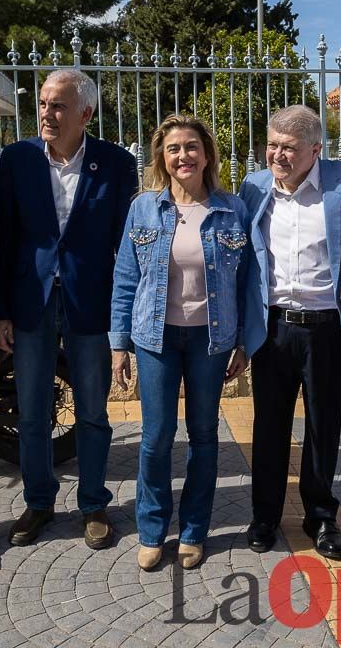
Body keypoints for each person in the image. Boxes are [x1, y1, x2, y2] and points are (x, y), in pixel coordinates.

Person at [0, 69, 137, 549]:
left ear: (85, 114)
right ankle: (39, 502)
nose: (47, 114)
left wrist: (124, 319)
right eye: (44, 103)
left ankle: (93, 504)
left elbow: (125, 244)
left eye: (58, 106)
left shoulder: (114, 163)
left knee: (92, 413)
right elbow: (3, 238)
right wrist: (0, 310)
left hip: (89, 303)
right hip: (30, 302)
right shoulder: (16, 159)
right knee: (32, 412)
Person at [109, 115, 249, 571]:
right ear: (161, 158)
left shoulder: (231, 209)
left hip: (211, 339)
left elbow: (248, 281)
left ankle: (193, 530)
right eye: (173, 149)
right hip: (156, 337)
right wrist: (119, 343)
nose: (183, 156)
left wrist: (244, 341)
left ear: (207, 154)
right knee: (156, 436)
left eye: (192, 147)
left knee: (204, 435)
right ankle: (152, 529)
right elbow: (126, 278)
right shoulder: (144, 209)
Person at [239, 105, 341, 559]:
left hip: (327, 327)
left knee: (324, 426)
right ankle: (265, 515)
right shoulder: (254, 187)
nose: (277, 155)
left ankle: (321, 515)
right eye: (272, 145)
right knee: (268, 425)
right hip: (272, 328)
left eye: (289, 148)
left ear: (316, 150)